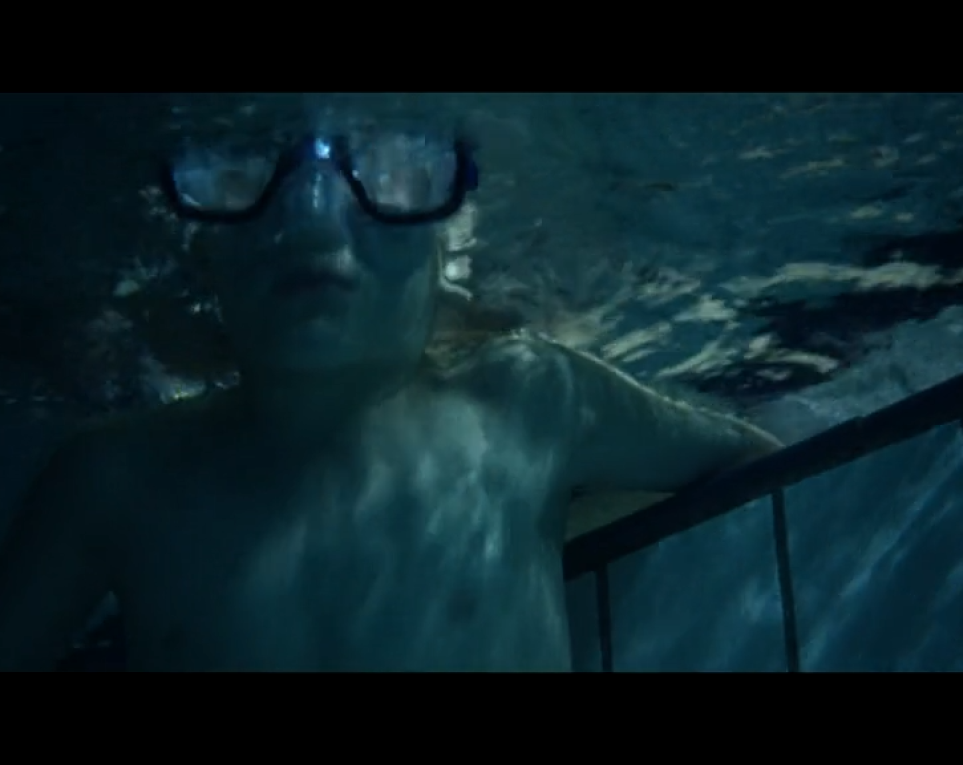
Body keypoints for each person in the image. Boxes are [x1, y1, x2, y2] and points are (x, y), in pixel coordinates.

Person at [0, 125, 781, 671]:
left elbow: (755, 467)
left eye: (396, 177)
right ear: (207, 258)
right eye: (243, 177)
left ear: (446, 253)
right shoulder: (112, 479)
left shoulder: (530, 397)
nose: (313, 216)